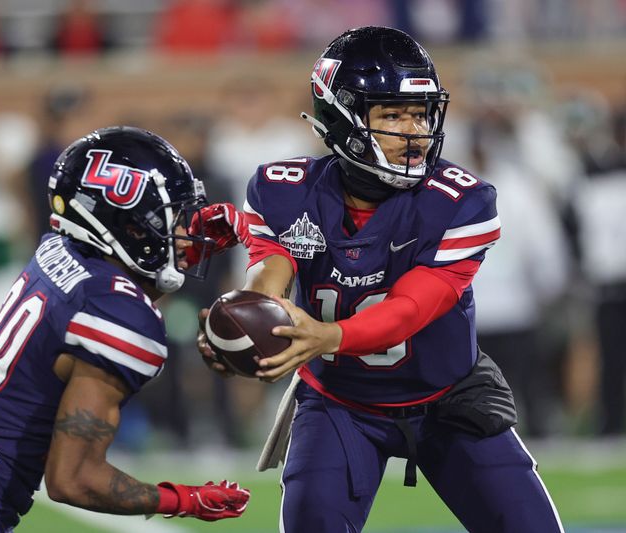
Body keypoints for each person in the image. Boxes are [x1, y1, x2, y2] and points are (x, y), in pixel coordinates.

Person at [193, 27, 564, 532]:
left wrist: (327, 336)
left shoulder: (461, 201)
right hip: (340, 404)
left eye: (420, 113)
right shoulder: (285, 190)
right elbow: (269, 273)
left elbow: (410, 311)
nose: (414, 132)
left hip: (447, 398)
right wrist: (242, 325)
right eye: (392, 114)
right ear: (341, 119)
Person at [0, 126, 250, 532]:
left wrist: (192, 245)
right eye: (168, 219)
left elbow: (109, 294)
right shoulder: (115, 312)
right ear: (127, 224)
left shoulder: (60, 250)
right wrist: (185, 499)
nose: (182, 231)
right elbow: (74, 479)